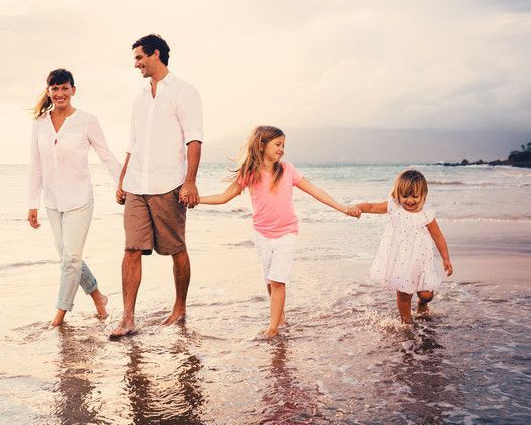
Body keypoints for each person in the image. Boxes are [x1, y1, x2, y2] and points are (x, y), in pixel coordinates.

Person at [198, 125, 360, 338]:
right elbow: (224, 197)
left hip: (286, 234)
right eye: (278, 144)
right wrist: (197, 200)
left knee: (277, 281)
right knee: (270, 281)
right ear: (261, 145)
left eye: (284, 145)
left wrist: (344, 208)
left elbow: (316, 191)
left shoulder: (288, 170)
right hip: (261, 234)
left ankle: (272, 329)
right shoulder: (250, 173)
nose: (282, 149)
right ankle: (280, 318)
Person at [109, 34, 203, 339]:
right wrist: (122, 179)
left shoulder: (184, 92)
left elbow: (194, 139)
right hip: (137, 184)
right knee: (131, 249)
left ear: (156, 54)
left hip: (169, 184)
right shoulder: (139, 99)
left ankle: (180, 307)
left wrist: (190, 181)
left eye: (139, 58)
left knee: (176, 249)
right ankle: (127, 318)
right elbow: (133, 144)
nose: (136, 64)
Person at [27, 68, 121, 327]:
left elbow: (105, 154)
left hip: (80, 199)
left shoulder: (86, 120)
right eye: (54, 89)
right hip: (52, 201)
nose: (60, 93)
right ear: (49, 91)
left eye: (64, 88)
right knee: (69, 257)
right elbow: (35, 164)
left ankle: (59, 316)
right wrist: (32, 203)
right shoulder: (40, 123)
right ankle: (98, 297)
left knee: (70, 260)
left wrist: (122, 183)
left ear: (73, 90)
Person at [356, 169, 453, 324]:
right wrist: (357, 208)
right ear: (397, 194)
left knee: (427, 295)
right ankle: (406, 323)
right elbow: (372, 207)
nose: (410, 200)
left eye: (415, 196)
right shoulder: (394, 207)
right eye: (405, 195)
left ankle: (422, 304)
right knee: (404, 295)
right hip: (400, 259)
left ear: (423, 196)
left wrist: (446, 258)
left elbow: (438, 236)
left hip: (421, 260)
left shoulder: (426, 214)